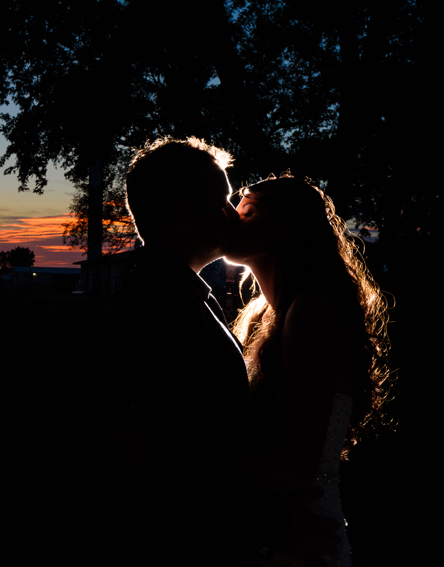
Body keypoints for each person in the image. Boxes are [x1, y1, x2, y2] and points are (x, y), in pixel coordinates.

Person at [111, 138, 340, 566]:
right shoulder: (163, 309)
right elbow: (179, 458)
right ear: (182, 211)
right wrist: (269, 532)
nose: (231, 214)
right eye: (222, 201)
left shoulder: (187, 298)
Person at [226, 172, 394, 566]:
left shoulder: (314, 312)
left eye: (247, 211)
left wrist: (194, 454)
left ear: (286, 228)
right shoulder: (260, 315)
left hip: (303, 538)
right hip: (277, 532)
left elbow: (297, 464)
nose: (231, 217)